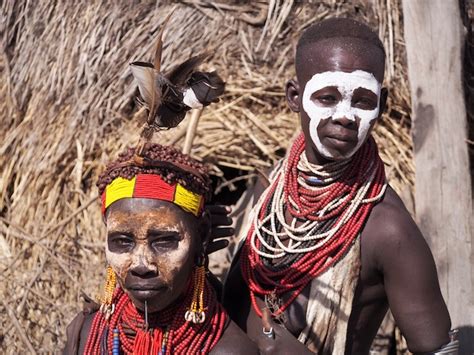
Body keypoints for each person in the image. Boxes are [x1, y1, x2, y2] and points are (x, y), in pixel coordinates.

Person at [224, 18, 459, 354]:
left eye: (362, 100)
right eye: (327, 97)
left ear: (383, 102)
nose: (345, 116)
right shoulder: (267, 189)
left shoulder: (387, 230)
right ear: (295, 96)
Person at [63, 143, 258, 354]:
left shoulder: (226, 348)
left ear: (201, 236)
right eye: (122, 241)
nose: (141, 264)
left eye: (164, 240)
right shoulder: (86, 335)